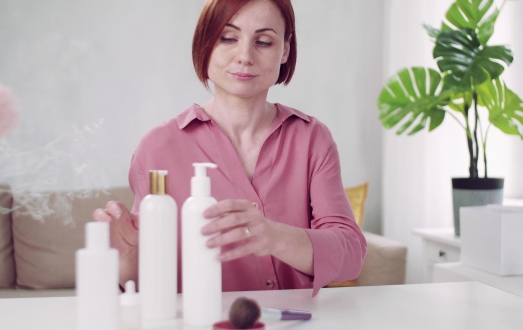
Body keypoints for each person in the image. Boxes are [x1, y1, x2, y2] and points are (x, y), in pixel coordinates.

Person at [93, 0, 366, 296]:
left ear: (285, 50)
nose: (244, 56)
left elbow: (350, 256)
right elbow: (146, 282)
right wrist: (127, 256)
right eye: (228, 38)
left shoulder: (312, 138)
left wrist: (275, 236)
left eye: (263, 41)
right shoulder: (158, 147)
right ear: (206, 41)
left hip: (293, 325)